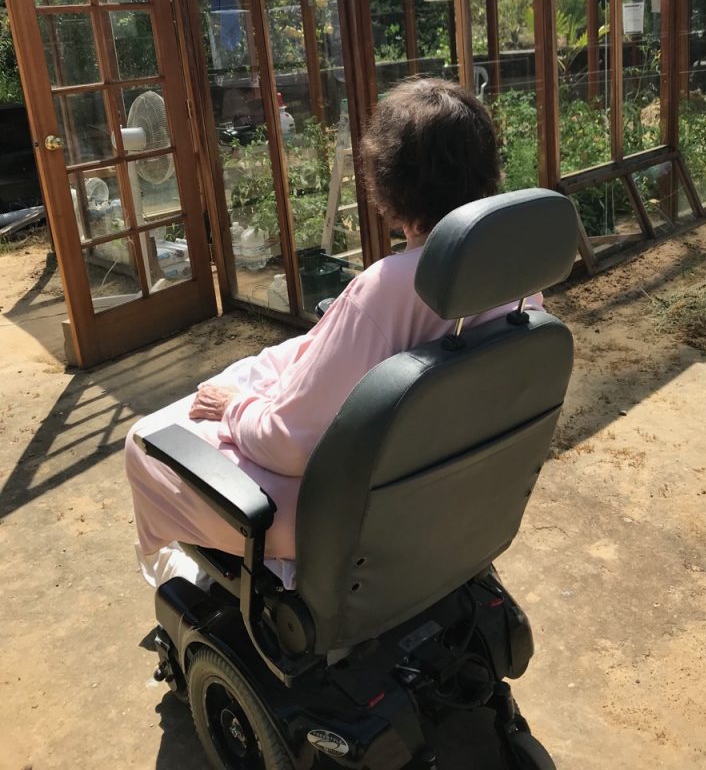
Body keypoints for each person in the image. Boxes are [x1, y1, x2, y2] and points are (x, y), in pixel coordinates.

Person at [124, 79, 544, 586]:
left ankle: (177, 576)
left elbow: (287, 444)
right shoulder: (520, 284)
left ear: (388, 184)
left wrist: (233, 407)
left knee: (145, 441)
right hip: (442, 488)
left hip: (347, 516)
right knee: (254, 373)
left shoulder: (387, 290)